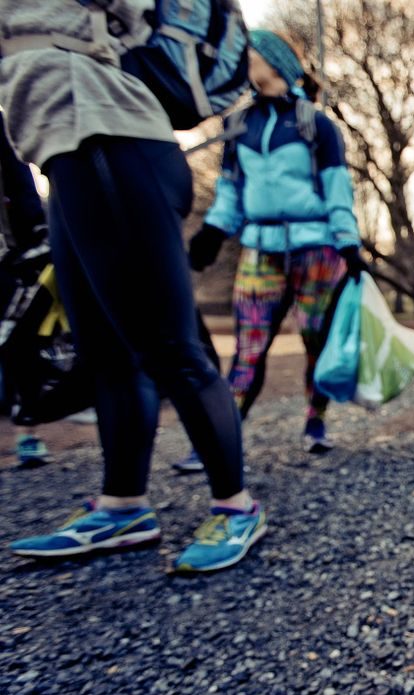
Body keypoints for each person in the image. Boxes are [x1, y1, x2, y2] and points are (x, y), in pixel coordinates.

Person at [0, 0, 264, 572]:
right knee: (106, 354)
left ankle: (236, 505)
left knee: (170, 349)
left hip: (110, 132)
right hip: (61, 145)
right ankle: (125, 507)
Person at [175, 29, 365, 473]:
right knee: (249, 346)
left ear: (274, 62)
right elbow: (231, 191)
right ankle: (221, 438)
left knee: (316, 340)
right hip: (259, 249)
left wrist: (349, 244)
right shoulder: (238, 124)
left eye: (251, 54)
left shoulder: (315, 123)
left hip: (317, 249)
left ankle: (315, 421)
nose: (243, 61)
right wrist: (213, 232)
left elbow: (338, 189)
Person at [0, 108, 55, 467]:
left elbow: (19, 180)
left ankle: (27, 431)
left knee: (19, 341)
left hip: (6, 253)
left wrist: (35, 234)